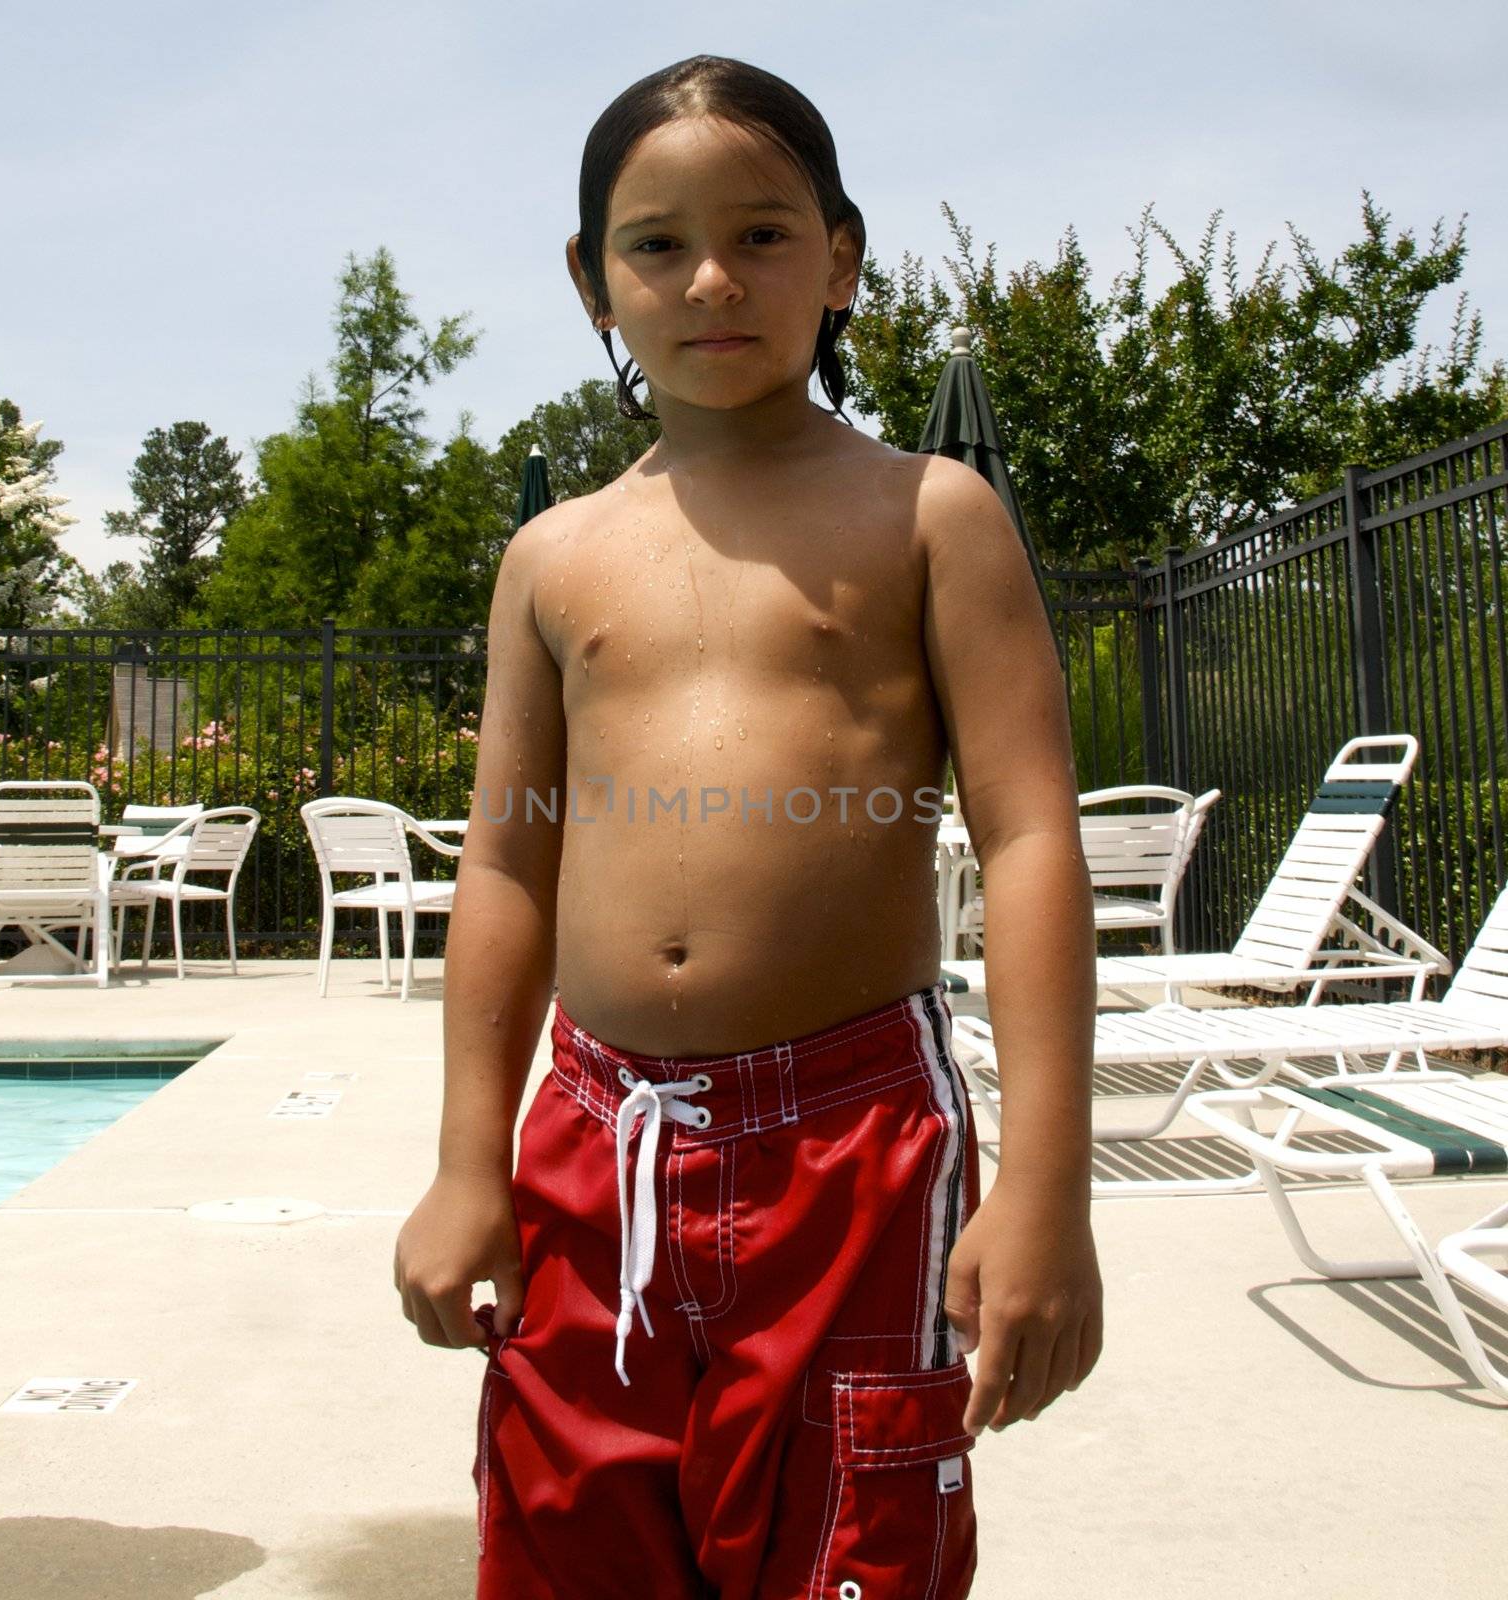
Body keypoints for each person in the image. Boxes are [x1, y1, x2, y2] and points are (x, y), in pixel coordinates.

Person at [394, 53, 1102, 1600]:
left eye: (766, 234)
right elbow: (509, 862)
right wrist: (467, 1162)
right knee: (572, 1544)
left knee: (846, 1552)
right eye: (657, 242)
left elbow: (1033, 837)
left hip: (851, 1152)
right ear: (592, 281)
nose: (712, 277)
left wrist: (1049, 1183)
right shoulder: (552, 559)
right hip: (590, 1154)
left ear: (843, 256)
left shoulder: (927, 515)